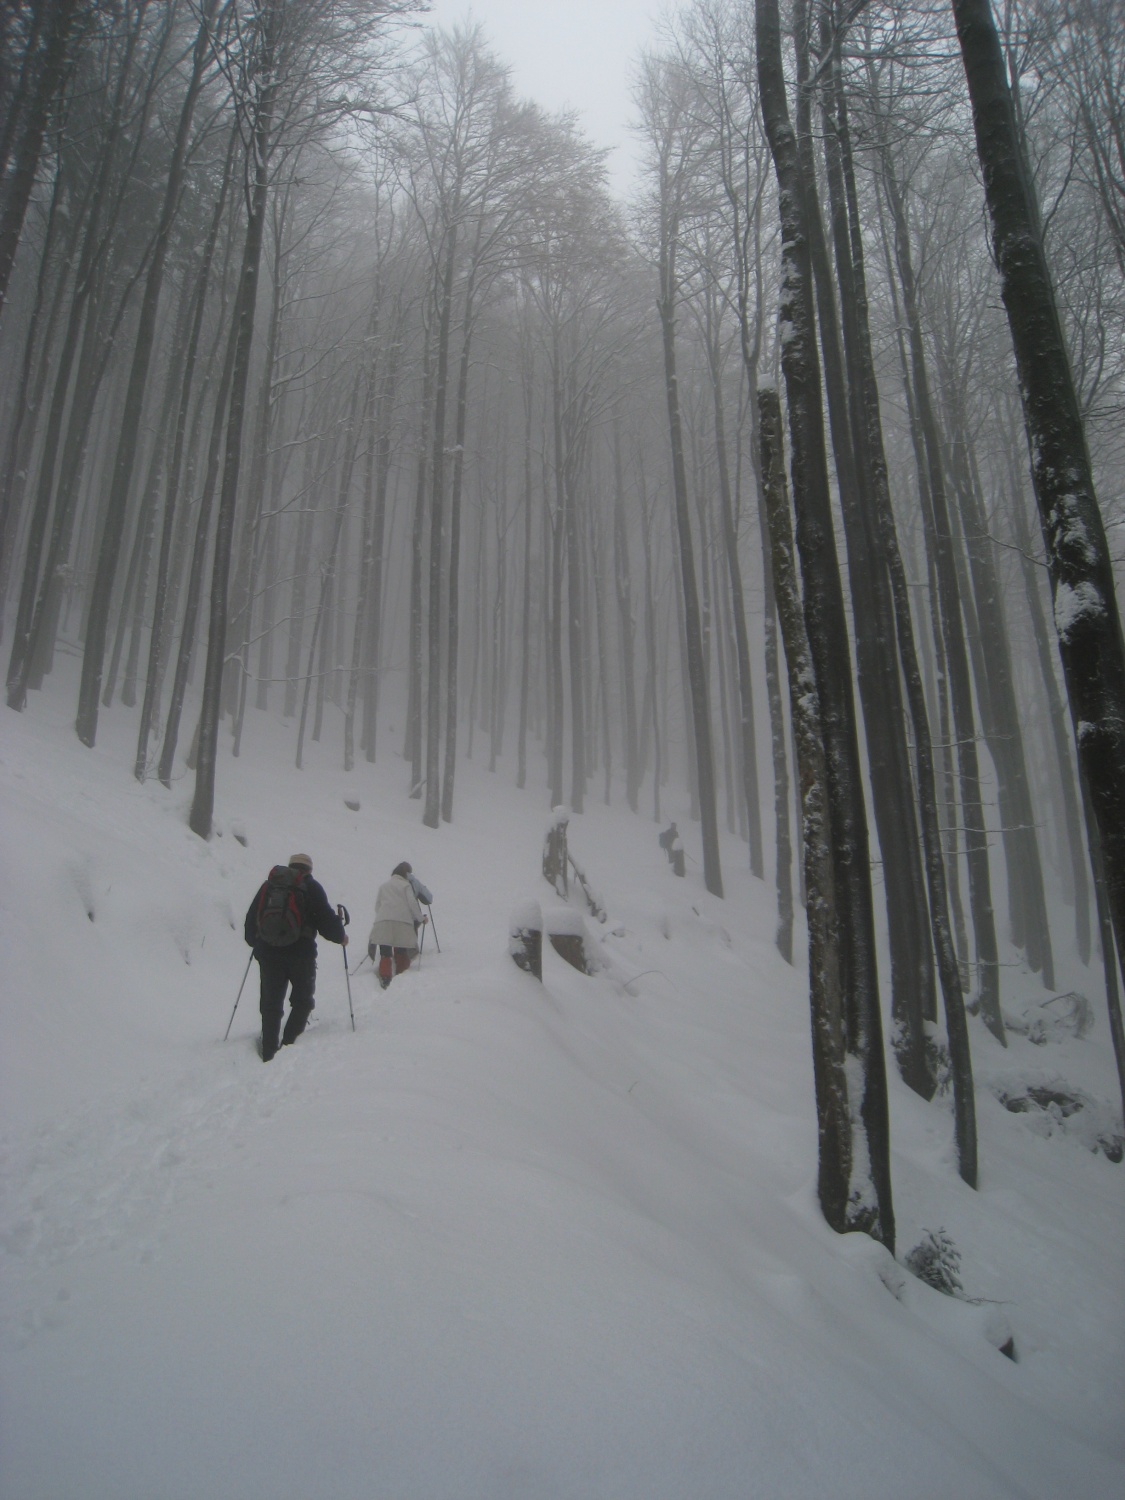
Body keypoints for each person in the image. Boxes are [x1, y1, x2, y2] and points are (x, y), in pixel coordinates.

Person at [244, 853, 347, 1062]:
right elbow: (326, 921)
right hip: (301, 955)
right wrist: (341, 937)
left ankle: (269, 1051)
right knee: (302, 1002)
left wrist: (256, 942)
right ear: (309, 869)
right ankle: (289, 1045)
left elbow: (252, 918)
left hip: (269, 954)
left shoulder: (269, 886)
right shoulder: (311, 887)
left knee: (271, 1004)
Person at [368, 861, 427, 988]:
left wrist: (385, 916)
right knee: (401, 949)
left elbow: (377, 906)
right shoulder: (406, 886)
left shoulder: (383, 886)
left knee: (385, 952)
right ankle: (401, 976)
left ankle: (385, 978)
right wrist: (421, 919)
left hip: (383, 921)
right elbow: (412, 904)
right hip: (402, 923)